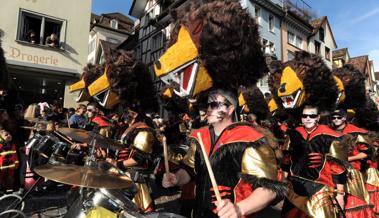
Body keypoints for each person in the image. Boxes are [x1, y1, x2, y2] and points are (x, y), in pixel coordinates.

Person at [162, 89, 285, 218]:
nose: (209, 109)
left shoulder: (250, 140)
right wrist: (176, 178)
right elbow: (189, 170)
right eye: (207, 105)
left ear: (230, 109)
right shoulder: (200, 136)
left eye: (214, 105)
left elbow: (269, 188)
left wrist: (239, 208)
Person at [281, 105, 347, 218]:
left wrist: (340, 194)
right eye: (304, 115)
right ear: (301, 118)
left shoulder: (330, 136)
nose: (308, 118)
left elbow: (338, 166)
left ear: (318, 117)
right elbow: (286, 160)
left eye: (312, 116)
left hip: (320, 187)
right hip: (295, 187)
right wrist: (283, 180)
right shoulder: (294, 134)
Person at [330, 109, 377, 216]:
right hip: (333, 172)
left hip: (352, 172)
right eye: (334, 117)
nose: (336, 120)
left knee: (353, 202)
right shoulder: (329, 132)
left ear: (345, 118)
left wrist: (347, 159)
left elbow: (367, 153)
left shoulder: (355, 132)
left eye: (339, 117)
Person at [0, 126, 19, 193]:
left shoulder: (12, 144)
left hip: (11, 166)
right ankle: (2, 191)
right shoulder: (1, 145)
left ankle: (9, 192)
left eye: (9, 134)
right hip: (2, 167)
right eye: (6, 135)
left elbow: (15, 155)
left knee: (10, 180)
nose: (8, 136)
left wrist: (16, 163)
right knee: (1, 180)